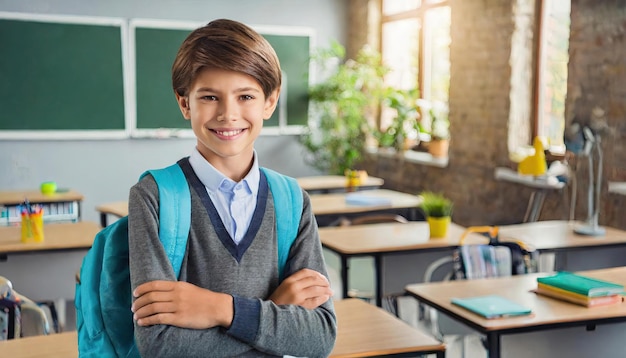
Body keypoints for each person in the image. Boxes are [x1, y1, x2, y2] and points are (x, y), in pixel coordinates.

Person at [128, 19, 336, 357]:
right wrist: (274, 308)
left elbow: (319, 337)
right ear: (185, 103)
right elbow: (161, 345)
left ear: (269, 102)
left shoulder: (291, 200)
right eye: (210, 97)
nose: (228, 114)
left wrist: (220, 309)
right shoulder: (153, 197)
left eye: (246, 96)